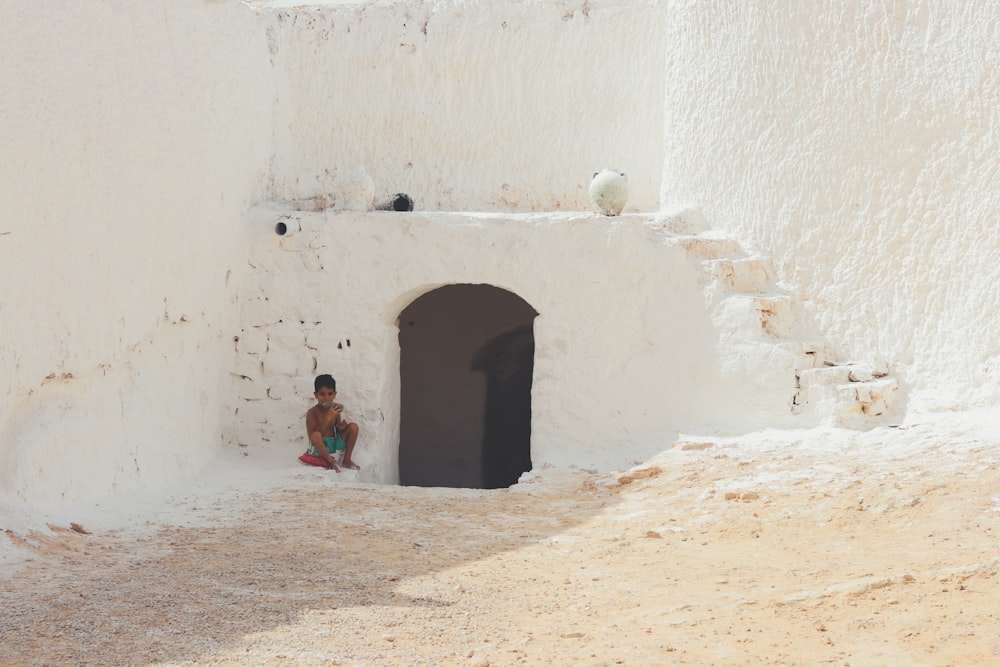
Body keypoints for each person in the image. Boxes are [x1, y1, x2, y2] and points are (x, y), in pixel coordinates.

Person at [304, 374, 361, 471]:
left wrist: (341, 427)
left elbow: (337, 429)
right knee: (316, 435)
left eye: (330, 394)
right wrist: (328, 417)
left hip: (333, 445)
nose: (327, 398)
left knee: (353, 427)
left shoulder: (334, 409)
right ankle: (331, 461)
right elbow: (313, 437)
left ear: (335, 394)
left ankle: (346, 460)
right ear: (315, 395)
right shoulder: (312, 412)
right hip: (320, 448)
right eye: (322, 394)